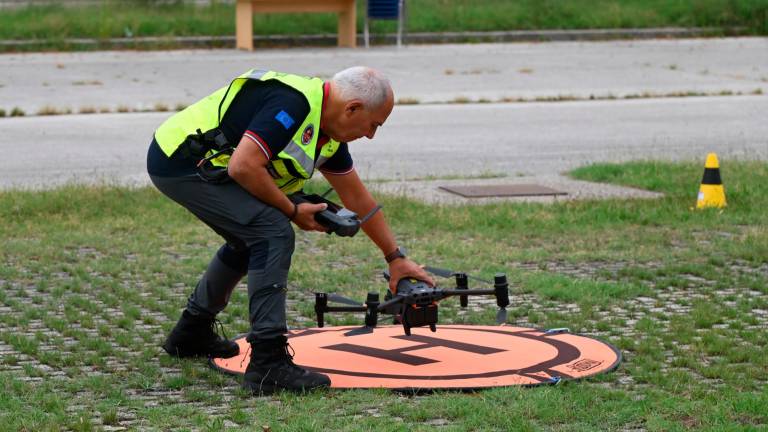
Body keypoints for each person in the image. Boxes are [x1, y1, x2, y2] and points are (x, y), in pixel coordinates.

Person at [146, 66, 433, 394]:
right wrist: (292, 210)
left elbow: (357, 198)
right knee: (272, 232)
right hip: (181, 162)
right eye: (373, 125)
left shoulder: (328, 135)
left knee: (250, 237)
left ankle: (191, 333)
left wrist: (395, 257)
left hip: (211, 167)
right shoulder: (292, 104)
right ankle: (268, 363)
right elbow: (243, 165)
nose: (371, 135)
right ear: (352, 108)